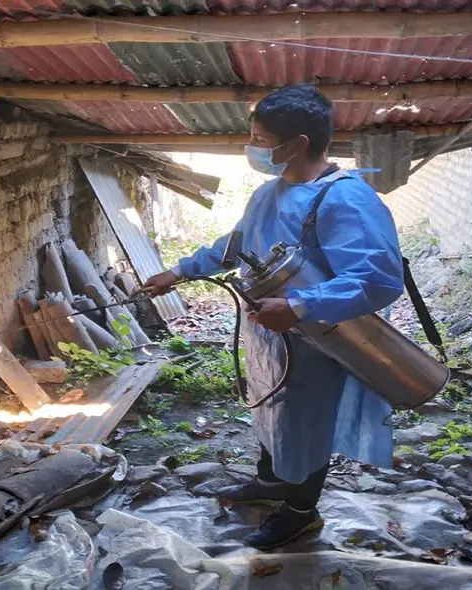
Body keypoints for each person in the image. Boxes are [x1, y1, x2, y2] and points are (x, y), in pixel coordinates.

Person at [141, 85, 404, 550]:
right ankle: (270, 482)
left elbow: (377, 279)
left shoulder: (347, 200)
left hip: (318, 341)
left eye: (260, 139)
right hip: (269, 334)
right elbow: (236, 244)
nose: (252, 148)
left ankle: (301, 513)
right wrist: (180, 271)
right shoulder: (270, 193)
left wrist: (300, 305)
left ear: (298, 143)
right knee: (269, 406)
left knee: (304, 423)